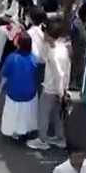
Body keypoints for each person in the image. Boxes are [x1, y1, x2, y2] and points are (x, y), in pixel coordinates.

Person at [28, 18, 71, 150]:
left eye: (45, 32)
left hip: (51, 89)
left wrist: (59, 92)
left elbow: (59, 74)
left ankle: (42, 140)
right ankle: (60, 138)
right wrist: (64, 89)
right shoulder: (63, 49)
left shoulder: (53, 54)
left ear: (49, 34)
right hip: (61, 88)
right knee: (58, 115)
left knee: (44, 114)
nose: (44, 34)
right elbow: (66, 70)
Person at [0, 34, 40, 140]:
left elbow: (5, 76)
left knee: (13, 112)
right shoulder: (33, 58)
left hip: (14, 92)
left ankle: (13, 131)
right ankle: (27, 129)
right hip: (30, 93)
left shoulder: (12, 58)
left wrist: (0, 88)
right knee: (28, 112)